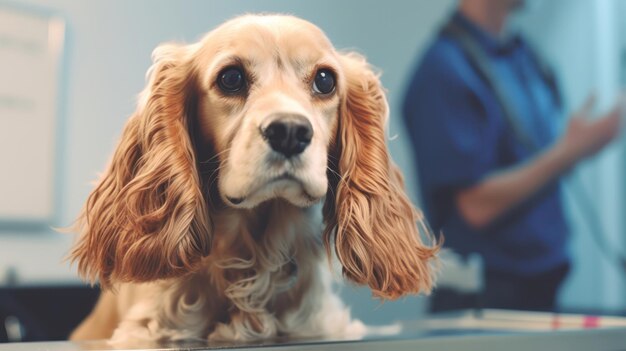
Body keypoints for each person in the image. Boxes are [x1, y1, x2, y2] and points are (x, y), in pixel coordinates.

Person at [403, 0, 622, 312]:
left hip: (543, 289)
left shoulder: (525, 57)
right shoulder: (442, 71)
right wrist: (570, 151)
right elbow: (475, 206)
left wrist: (572, 148)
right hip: (485, 303)